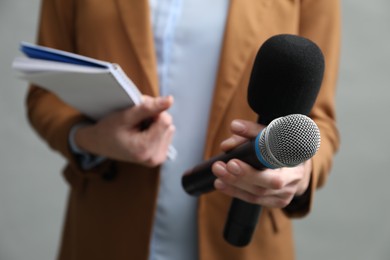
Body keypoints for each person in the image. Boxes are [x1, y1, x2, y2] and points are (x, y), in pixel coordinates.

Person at [26, 0, 340, 259]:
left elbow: (320, 121)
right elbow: (44, 95)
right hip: (107, 231)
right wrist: (91, 139)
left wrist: (299, 172)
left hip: (245, 239)